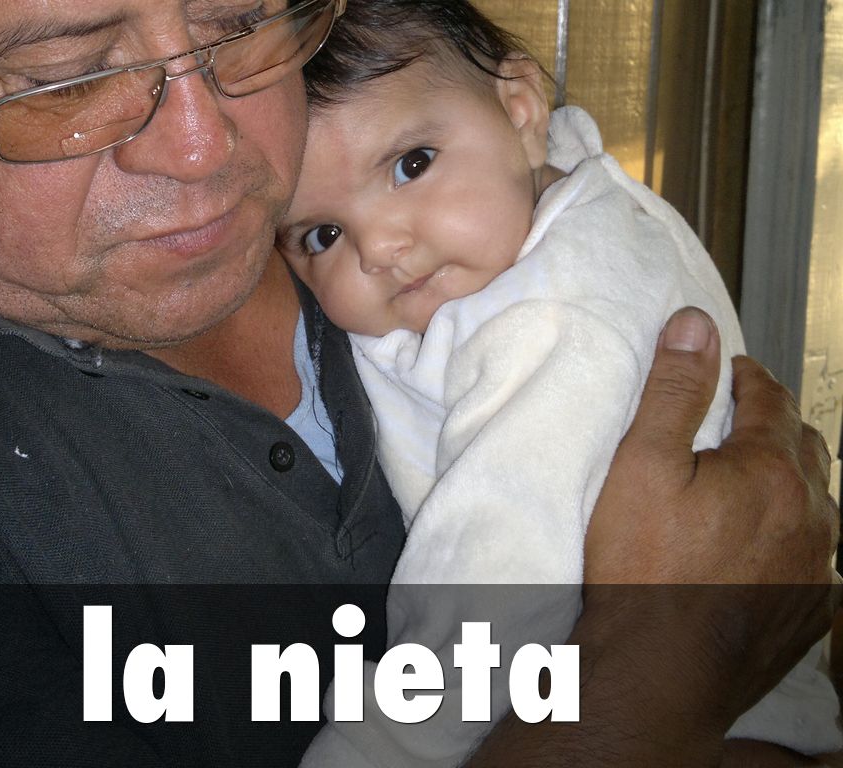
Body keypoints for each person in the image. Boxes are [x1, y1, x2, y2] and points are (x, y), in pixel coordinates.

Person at [0, 0, 837, 766]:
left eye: (243, 25)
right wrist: (667, 668)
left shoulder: (479, 227)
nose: (205, 149)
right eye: (70, 76)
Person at [275, 2, 842, 765]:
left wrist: (381, 747)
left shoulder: (547, 324)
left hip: (693, 712)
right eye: (322, 234)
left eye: (411, 164)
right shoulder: (560, 194)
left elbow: (499, 577)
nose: (379, 247)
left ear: (520, 110)